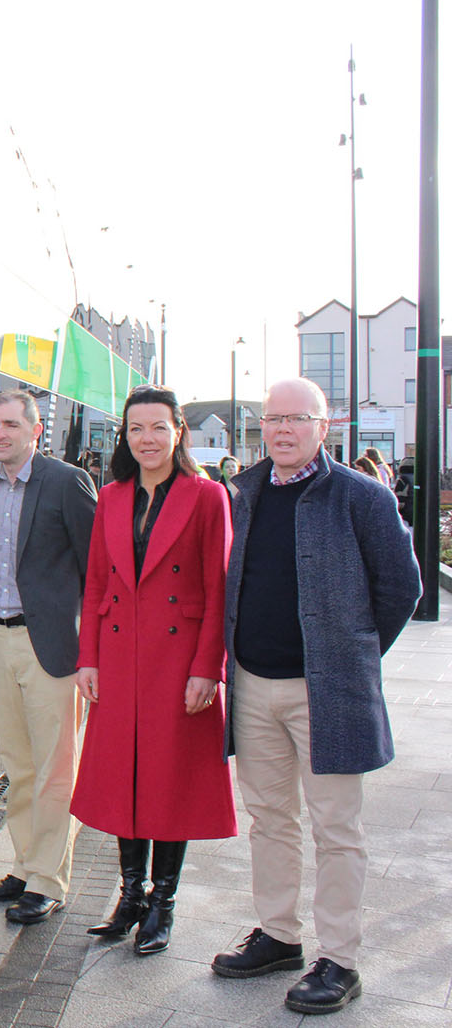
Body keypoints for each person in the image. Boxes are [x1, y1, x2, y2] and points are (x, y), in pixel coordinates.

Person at [210, 378, 420, 1016]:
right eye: (273, 418)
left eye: (297, 419)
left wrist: (351, 655)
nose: (283, 430)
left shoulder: (360, 497)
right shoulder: (241, 493)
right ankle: (279, 934)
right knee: (269, 818)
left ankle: (340, 960)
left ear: (323, 428)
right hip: (252, 684)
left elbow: (402, 588)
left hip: (326, 694)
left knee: (336, 827)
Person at [72, 385, 236, 957]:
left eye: (158, 427)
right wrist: (88, 658)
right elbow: (96, 582)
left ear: (178, 432)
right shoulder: (112, 495)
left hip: (179, 661)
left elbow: (218, 590)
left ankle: (162, 902)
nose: (147, 439)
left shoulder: (207, 496)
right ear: (125, 435)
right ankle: (130, 897)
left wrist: (207, 668)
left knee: (169, 781)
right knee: (125, 776)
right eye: (136, 428)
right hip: (120, 657)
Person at [0, 392, 97, 925]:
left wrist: (93, 651)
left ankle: (48, 879)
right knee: (18, 765)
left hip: (52, 645)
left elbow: (98, 570)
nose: (0, 434)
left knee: (55, 768)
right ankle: (24, 865)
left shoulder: (66, 482)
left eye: (10, 425)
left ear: (36, 430)